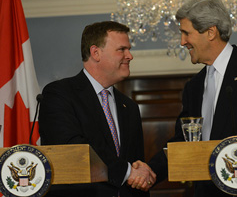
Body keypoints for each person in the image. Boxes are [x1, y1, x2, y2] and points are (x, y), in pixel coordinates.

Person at [139, 0, 237, 196]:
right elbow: (183, 141)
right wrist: (150, 171)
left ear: (211, 32)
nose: (182, 42)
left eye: (186, 33)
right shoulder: (193, 87)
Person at [38, 21, 156, 197]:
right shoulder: (59, 94)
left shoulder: (129, 106)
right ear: (95, 53)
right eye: (122, 49)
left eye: (128, 49)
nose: (129, 55)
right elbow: (75, 150)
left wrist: (140, 175)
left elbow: (136, 167)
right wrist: (128, 171)